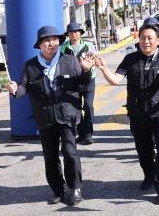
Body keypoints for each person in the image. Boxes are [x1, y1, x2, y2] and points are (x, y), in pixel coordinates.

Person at [6, 26, 95, 206]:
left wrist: (85, 71)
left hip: (68, 114)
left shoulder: (70, 60)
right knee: (50, 155)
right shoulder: (31, 66)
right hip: (45, 118)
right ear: (39, 44)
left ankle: (75, 187)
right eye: (46, 40)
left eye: (54, 39)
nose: (51, 43)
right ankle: (58, 190)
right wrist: (15, 90)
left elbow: (82, 84)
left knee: (70, 152)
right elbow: (24, 87)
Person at [95, 20, 159, 203]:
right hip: (137, 112)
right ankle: (149, 176)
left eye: (150, 38)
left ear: (158, 40)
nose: (146, 42)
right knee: (144, 150)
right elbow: (116, 79)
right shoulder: (131, 58)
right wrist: (103, 68)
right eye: (143, 38)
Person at [60, 22, 97, 145]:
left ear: (80, 33)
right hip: (72, 81)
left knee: (88, 106)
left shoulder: (89, 45)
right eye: (71, 32)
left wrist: (89, 64)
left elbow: (95, 59)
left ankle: (88, 134)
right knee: (76, 108)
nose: (74, 34)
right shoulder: (63, 47)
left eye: (76, 32)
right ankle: (81, 134)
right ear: (68, 35)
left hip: (88, 80)